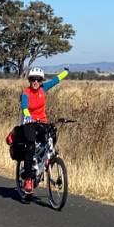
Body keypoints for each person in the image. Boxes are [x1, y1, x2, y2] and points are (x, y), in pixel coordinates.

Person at [15, 66, 68, 194]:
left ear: (41, 81)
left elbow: (55, 81)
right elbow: (24, 105)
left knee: (51, 136)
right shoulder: (26, 92)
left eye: (38, 80)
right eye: (33, 79)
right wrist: (27, 114)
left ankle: (44, 160)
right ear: (29, 80)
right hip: (28, 123)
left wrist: (65, 73)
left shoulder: (43, 89)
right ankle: (28, 179)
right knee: (31, 146)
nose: (36, 82)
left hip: (42, 122)